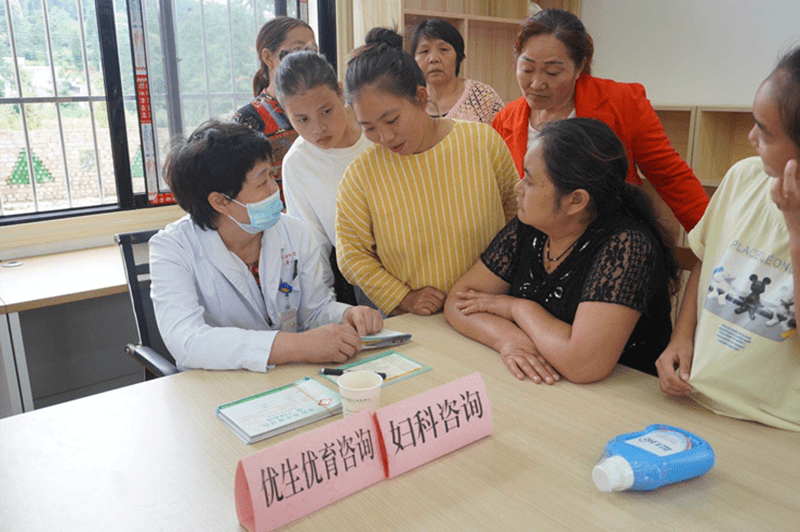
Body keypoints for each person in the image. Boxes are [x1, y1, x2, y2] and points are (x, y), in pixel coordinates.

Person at [444, 118, 679, 384]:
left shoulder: (626, 246)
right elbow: (460, 301)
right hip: (548, 386)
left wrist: (518, 308)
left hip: (623, 397)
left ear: (575, 200)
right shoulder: (531, 225)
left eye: (530, 182)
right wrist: (509, 340)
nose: (517, 188)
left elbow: (583, 365)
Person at [149, 120, 382, 371]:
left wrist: (345, 316)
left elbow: (315, 311)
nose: (275, 189)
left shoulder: (294, 232)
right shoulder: (171, 249)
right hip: (218, 385)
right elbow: (187, 342)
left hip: (288, 377)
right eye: (262, 182)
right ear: (220, 201)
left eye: (272, 175)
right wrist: (298, 345)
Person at [655, 47, 800, 431]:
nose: (751, 137)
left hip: (775, 426)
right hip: (696, 396)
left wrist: (795, 228)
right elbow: (708, 258)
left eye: (766, 133)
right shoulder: (743, 177)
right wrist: (680, 337)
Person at [336, 28, 518, 317]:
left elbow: (516, 217)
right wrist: (403, 297)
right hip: (414, 321)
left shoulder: (482, 142)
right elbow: (352, 255)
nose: (384, 137)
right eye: (368, 127)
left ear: (421, 98)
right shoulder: (361, 174)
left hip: (490, 311)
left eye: (392, 119)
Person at [492, 8, 708, 232]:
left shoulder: (623, 103)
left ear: (579, 68)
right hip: (533, 245)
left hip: (608, 240)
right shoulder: (505, 120)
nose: (536, 84)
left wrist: (714, 242)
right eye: (527, 69)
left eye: (553, 72)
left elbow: (671, 177)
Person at [274, 51, 372, 305]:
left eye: (326, 111)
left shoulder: (375, 130)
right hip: (366, 282)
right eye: (302, 119)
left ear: (341, 93)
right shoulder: (298, 163)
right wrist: (323, 310)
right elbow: (313, 247)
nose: (318, 129)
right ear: (286, 113)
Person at [233, 16, 317, 196]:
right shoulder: (249, 119)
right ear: (268, 58)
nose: (307, 59)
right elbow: (242, 190)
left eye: (312, 51)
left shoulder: (323, 109)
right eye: (297, 50)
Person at [408, 18, 505, 124]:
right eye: (424, 51)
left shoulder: (484, 97)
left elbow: (505, 137)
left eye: (443, 49)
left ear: (458, 56)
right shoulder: (409, 103)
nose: (434, 59)